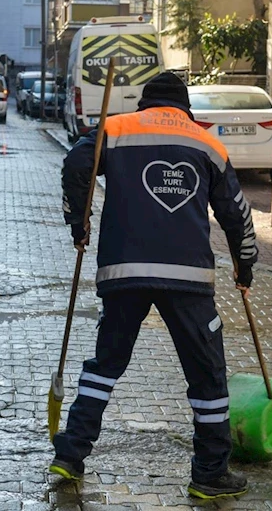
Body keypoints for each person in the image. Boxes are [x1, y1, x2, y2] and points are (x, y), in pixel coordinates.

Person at [51, 72, 258, 499]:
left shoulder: (117, 127)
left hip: (123, 272)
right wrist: (245, 264)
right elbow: (236, 212)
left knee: (105, 366)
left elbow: (75, 164)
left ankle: (70, 453)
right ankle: (209, 473)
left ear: (145, 102)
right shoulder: (208, 144)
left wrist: (80, 222)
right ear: (184, 108)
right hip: (188, 280)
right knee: (207, 377)